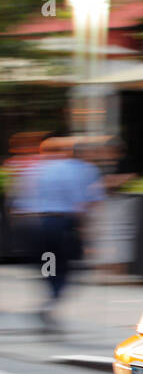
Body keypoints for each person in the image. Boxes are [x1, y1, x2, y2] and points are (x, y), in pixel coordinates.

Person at [15, 136, 104, 329]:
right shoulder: (82, 169)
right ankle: (52, 299)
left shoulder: (33, 169)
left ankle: (49, 295)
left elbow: (20, 203)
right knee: (68, 266)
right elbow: (89, 201)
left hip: (38, 223)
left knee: (48, 264)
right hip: (65, 223)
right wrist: (86, 231)